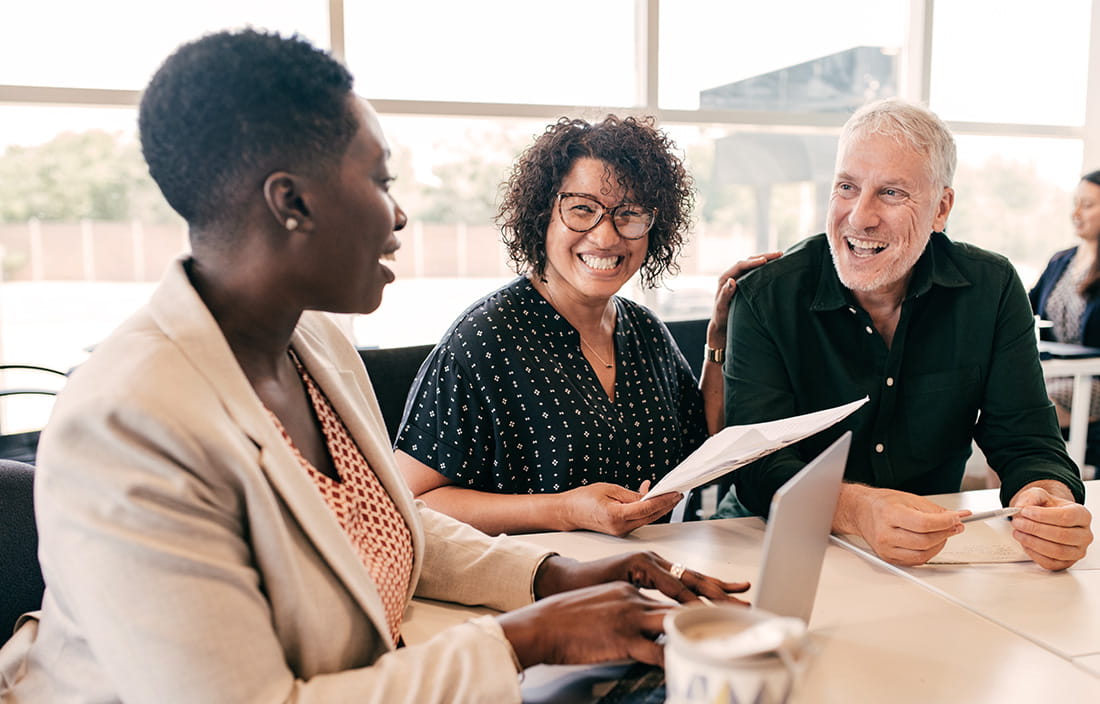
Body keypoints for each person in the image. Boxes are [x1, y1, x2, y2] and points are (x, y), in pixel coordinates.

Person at [0, 30, 752, 703]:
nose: (397, 216)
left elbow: (394, 521)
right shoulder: (128, 422)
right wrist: (530, 638)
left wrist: (558, 578)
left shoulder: (315, 344)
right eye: (381, 181)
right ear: (292, 202)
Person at [716, 97, 1093, 570]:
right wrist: (859, 510)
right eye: (847, 187)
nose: (859, 217)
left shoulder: (991, 288)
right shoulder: (766, 297)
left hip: (929, 550)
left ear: (941, 208)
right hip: (772, 538)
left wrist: (1048, 501)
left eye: (891, 193)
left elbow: (1027, 441)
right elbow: (758, 466)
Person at [394, 115, 778, 536]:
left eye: (629, 214)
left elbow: (703, 440)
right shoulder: (484, 340)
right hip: (534, 586)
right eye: (582, 209)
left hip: (647, 574)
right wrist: (563, 510)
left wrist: (719, 339)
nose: (607, 237)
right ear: (542, 215)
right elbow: (412, 501)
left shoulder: (644, 330)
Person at [1030, 170, 1100, 466]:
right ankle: (1004, 504)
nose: (1075, 213)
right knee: (1003, 403)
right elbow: (1025, 308)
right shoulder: (1062, 260)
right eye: (1075, 203)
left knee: (1026, 410)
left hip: (1093, 377)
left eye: (1087, 205)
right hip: (1055, 371)